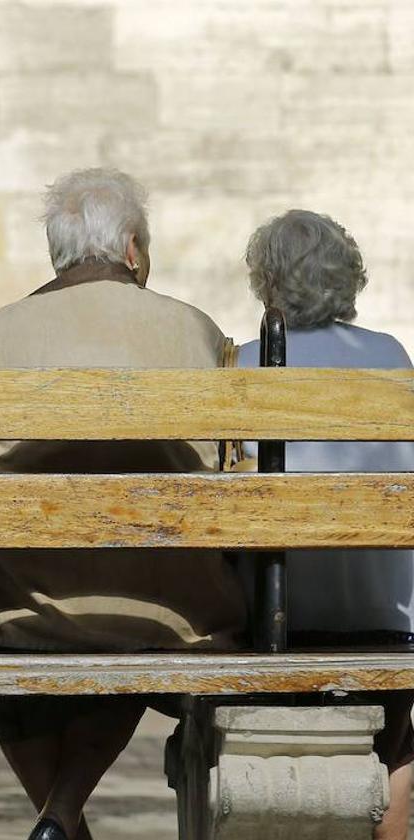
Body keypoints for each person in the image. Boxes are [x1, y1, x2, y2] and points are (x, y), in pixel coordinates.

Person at [0, 168, 246, 840]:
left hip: (34, 608)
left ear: (58, 253)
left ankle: (61, 817)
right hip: (175, 610)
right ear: (132, 250)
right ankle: (62, 818)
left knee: (6, 636)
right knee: (133, 614)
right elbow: (229, 475)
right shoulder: (195, 331)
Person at [238, 209, 414, 840]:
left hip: (275, 621)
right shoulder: (392, 357)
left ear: (267, 282)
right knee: (398, 732)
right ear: (349, 279)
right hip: (388, 619)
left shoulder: (243, 361)